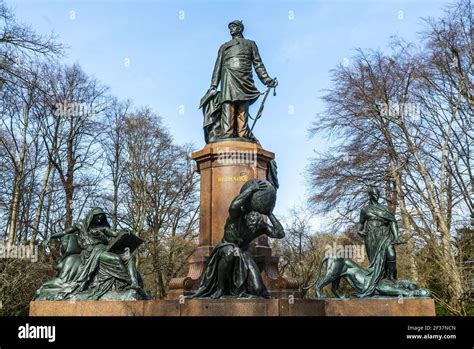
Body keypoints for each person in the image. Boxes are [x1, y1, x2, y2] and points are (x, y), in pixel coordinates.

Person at [192, 179, 285, 298]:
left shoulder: (260, 226)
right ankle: (220, 289)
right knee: (230, 251)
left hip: (243, 252)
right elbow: (234, 205)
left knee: (257, 289)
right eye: (250, 225)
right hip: (225, 247)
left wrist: (269, 213)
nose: (252, 229)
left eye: (255, 227)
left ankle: (242, 290)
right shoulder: (236, 217)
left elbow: (280, 234)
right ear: (246, 218)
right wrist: (250, 190)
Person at [34, 207, 147, 300]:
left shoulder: (103, 227)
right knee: (115, 259)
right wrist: (51, 236)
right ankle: (126, 283)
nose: (99, 218)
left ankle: (134, 283)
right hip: (92, 252)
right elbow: (65, 232)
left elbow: (114, 233)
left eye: (101, 217)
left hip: (105, 248)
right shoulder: (80, 225)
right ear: (91, 216)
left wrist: (125, 232)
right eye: (97, 216)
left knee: (129, 257)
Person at [208, 20, 277, 140]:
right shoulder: (224, 47)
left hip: (244, 78)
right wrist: (213, 85)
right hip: (228, 77)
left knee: (242, 105)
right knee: (228, 104)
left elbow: (258, 64)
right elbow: (217, 67)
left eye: (233, 27)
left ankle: (242, 133)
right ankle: (227, 133)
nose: (231, 29)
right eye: (229, 28)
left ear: (240, 28)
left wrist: (267, 79)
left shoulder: (250, 44)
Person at [357, 186, 403, 297]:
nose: (376, 196)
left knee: (391, 254)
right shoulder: (365, 209)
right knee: (375, 261)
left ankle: (392, 278)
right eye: (374, 194)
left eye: (378, 194)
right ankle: (379, 282)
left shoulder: (385, 208)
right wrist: (359, 230)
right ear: (370, 195)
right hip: (371, 237)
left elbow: (393, 222)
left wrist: (396, 237)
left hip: (384, 235)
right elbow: (361, 223)